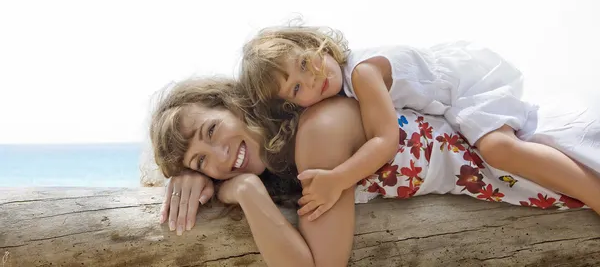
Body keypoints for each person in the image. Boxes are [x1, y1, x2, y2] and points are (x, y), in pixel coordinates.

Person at [150, 77, 600, 267]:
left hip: (544, 149)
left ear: (235, 105)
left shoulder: (316, 134)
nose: (220, 156)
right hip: (518, 183)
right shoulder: (286, 163)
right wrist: (228, 186)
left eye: (213, 130)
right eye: (201, 161)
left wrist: (244, 190)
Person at [239, 23, 600, 219]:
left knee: (499, 149)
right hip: (455, 98)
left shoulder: (363, 73)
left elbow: (386, 141)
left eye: (304, 63)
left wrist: (338, 179)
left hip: (468, 84)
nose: (313, 78)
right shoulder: (347, 88)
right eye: (298, 87)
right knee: (494, 149)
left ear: (314, 44)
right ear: (292, 105)